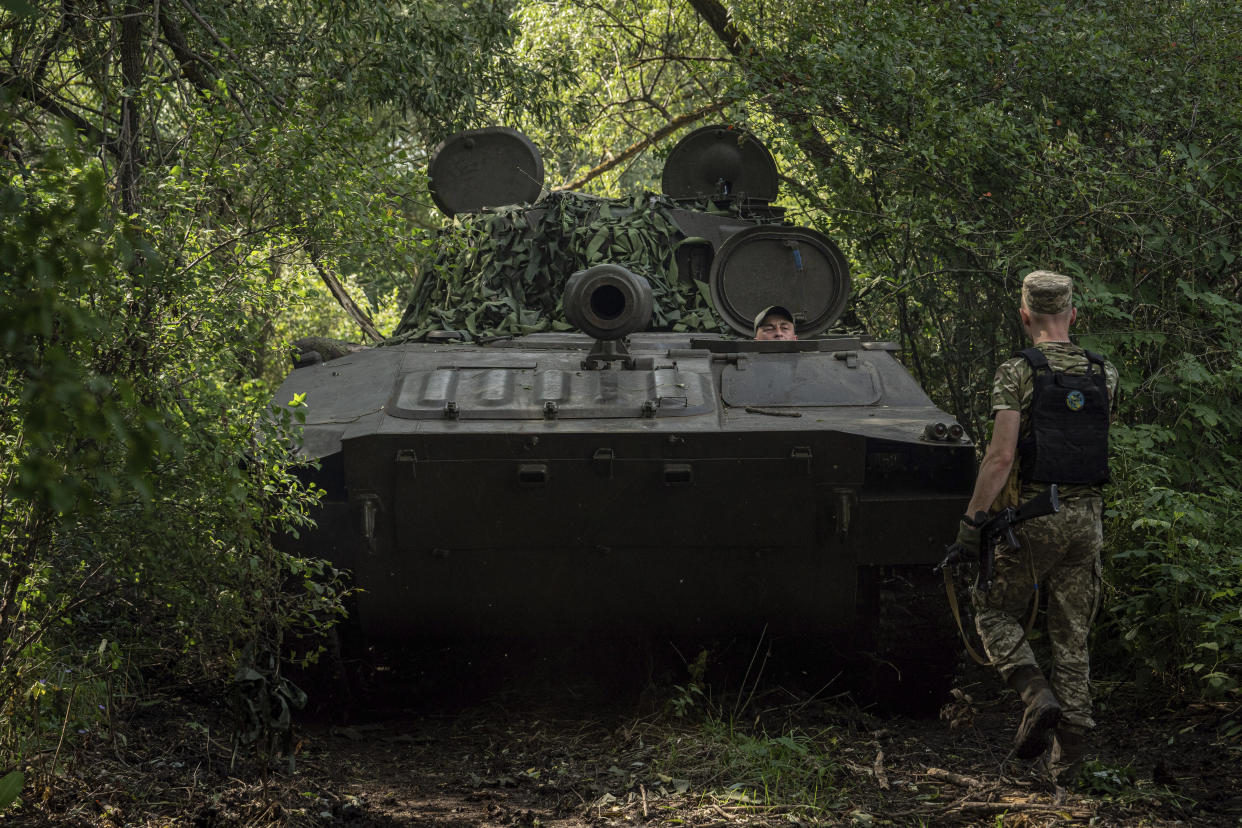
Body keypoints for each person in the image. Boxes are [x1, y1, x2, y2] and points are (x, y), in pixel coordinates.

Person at [951, 270, 1119, 770]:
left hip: (1033, 517)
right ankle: (1072, 760)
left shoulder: (1016, 371)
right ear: (1074, 315)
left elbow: (1000, 457)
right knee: (1072, 634)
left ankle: (1035, 696)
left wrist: (972, 521)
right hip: (1087, 520)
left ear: (1024, 317)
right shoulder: (1103, 372)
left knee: (992, 610)